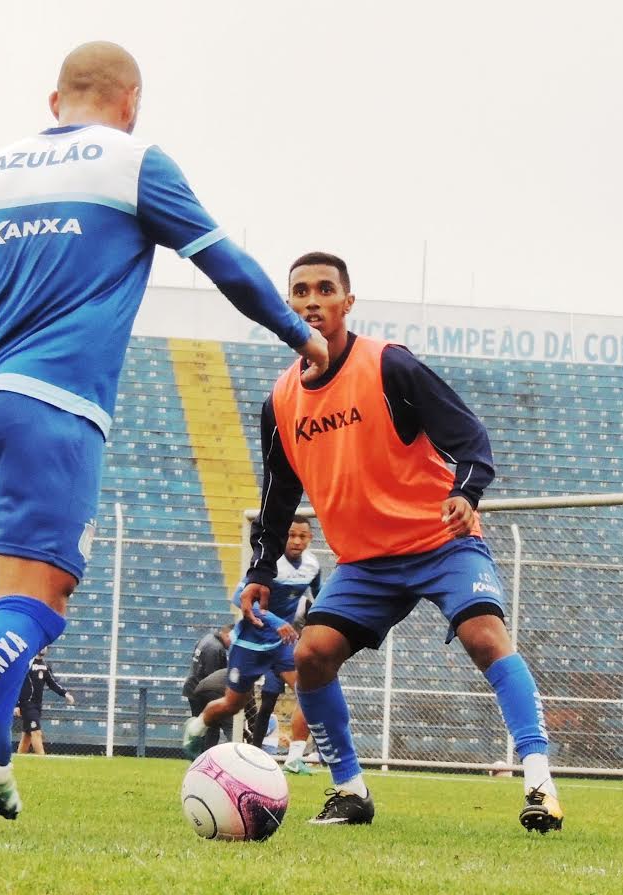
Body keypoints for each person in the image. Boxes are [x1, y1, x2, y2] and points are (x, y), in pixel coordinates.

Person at [0, 41, 328, 837]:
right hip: (51, 412)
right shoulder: (133, 161)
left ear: (55, 101)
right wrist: (300, 335)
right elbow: (227, 266)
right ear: (131, 102)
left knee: (37, 596)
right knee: (33, 615)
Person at [220, 251, 563, 832]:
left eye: (324, 290)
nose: (312, 300)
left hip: (439, 541)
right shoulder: (279, 402)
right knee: (311, 654)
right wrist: (260, 569)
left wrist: (467, 492)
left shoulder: (388, 366)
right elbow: (278, 495)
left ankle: (538, 779)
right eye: (300, 292)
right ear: (287, 308)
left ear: (346, 303)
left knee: (485, 637)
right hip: (366, 563)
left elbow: (468, 434)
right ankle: (349, 790)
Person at [182, 516, 320, 773]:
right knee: (232, 704)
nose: (297, 541)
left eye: (303, 536)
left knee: (309, 692)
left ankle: (294, 757)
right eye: (291, 535)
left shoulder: (312, 566)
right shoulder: (267, 565)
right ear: (282, 536)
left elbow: (318, 597)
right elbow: (239, 598)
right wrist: (276, 620)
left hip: (280, 645)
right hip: (249, 645)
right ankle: (196, 727)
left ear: (310, 539)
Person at [15, 649, 75, 755]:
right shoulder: (27, 664)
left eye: (46, 646)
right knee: (36, 732)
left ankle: (19, 758)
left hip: (37, 705)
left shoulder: (45, 666)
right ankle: (42, 759)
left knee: (27, 735)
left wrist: (65, 694)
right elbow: (17, 684)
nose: (44, 648)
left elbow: (52, 683)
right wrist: (16, 705)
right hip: (27, 704)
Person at [188, 667, 258, 751]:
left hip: (198, 691)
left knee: (212, 728)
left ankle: (205, 756)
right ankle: (237, 755)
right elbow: (250, 707)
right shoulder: (248, 677)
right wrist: (256, 732)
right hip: (216, 690)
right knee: (231, 726)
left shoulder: (235, 670)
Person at [182, 625, 232, 716]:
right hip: (201, 691)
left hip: (193, 687)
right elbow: (211, 677)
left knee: (200, 723)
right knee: (209, 726)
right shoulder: (215, 648)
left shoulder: (208, 638)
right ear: (228, 635)